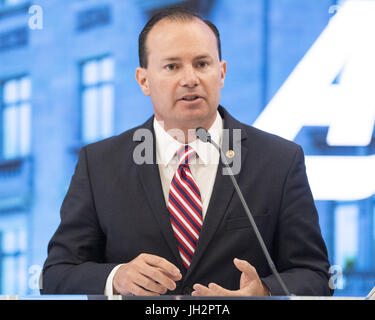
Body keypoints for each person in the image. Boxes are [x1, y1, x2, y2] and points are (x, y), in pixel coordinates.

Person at [41, 8, 333, 296]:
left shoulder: (279, 161)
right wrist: (117, 277)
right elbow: (56, 274)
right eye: (172, 66)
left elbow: (315, 275)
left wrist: (266, 291)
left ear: (221, 73)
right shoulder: (99, 164)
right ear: (144, 80)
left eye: (202, 64)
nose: (190, 78)